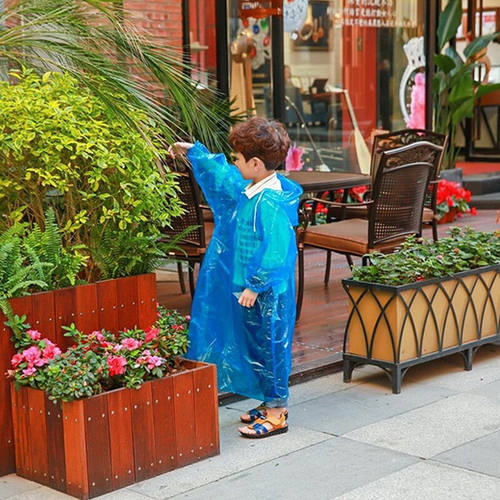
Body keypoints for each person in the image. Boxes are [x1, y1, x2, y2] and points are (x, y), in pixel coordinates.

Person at [169, 117, 302, 438]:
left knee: (270, 345)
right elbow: (226, 177)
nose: (235, 163)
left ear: (255, 164)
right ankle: (266, 399)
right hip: (252, 289)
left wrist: (255, 285)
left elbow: (277, 252)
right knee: (254, 344)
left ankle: (277, 410)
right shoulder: (253, 187)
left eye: (238, 158)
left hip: (267, 293)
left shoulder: (268, 203)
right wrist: (196, 154)